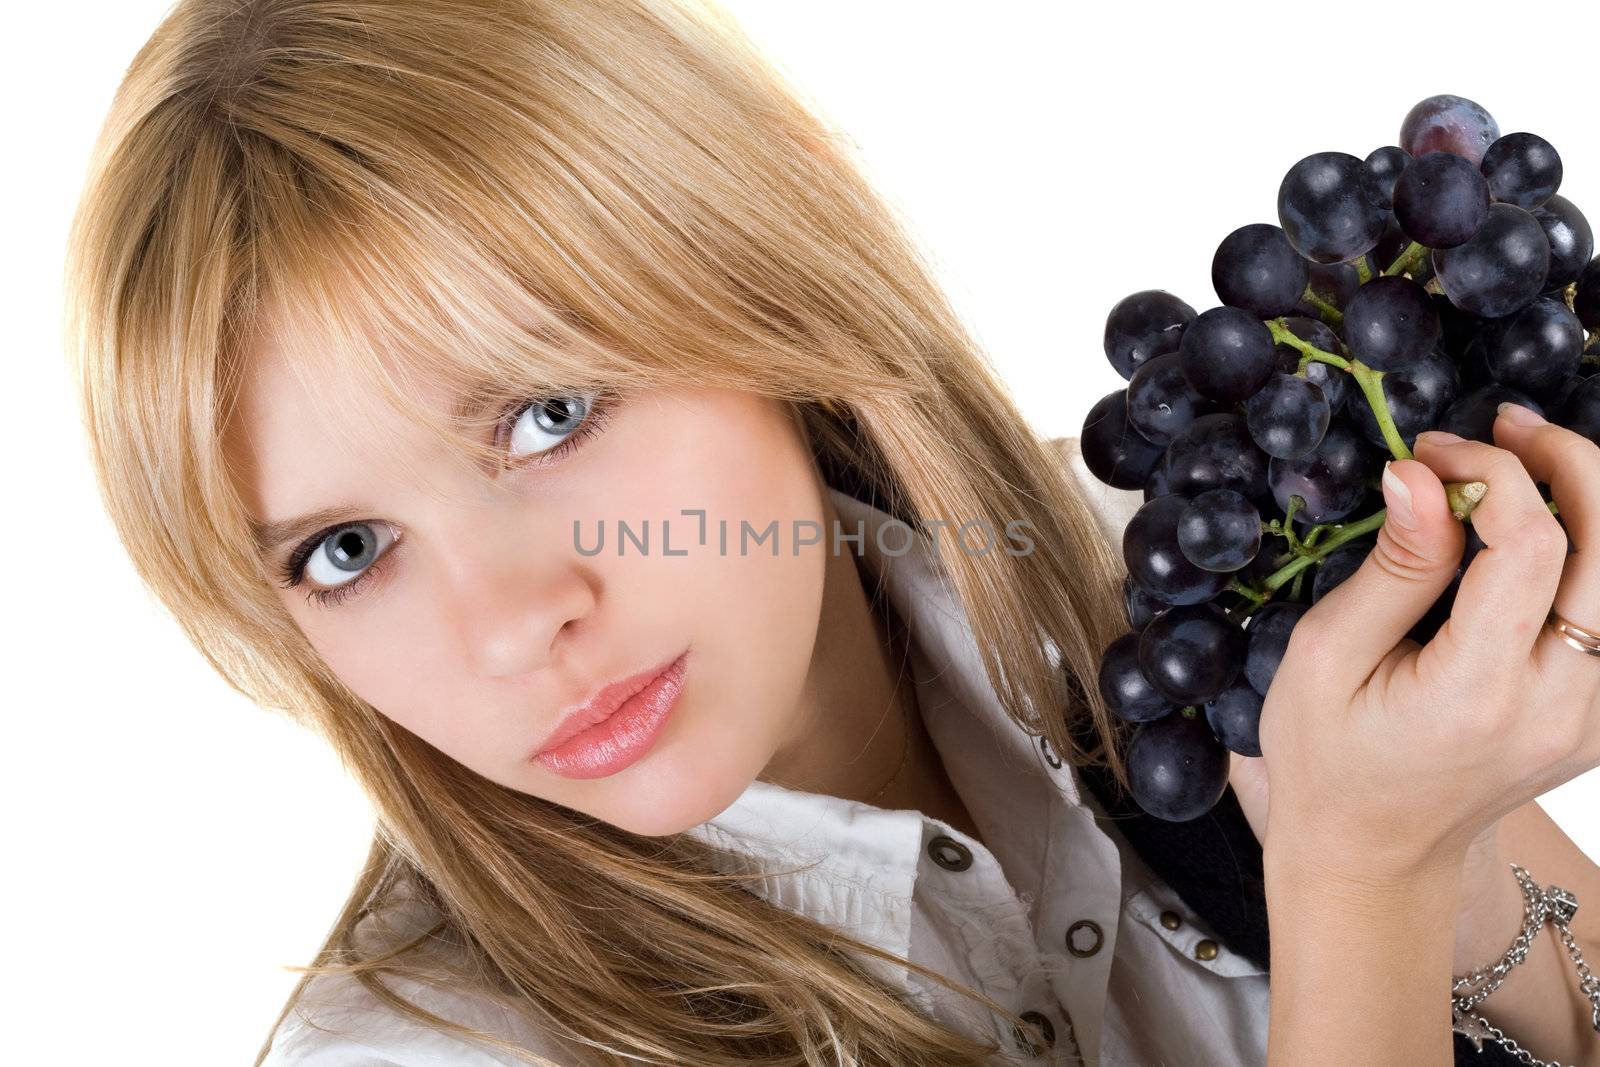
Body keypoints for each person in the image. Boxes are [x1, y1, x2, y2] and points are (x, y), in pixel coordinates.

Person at [61, 1, 1600, 1064]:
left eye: (547, 416)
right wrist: (1363, 879)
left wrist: (1431, 787)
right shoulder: (428, 1055)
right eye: (344, 549)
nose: (510, 621)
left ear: (766, 269)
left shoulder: (1145, 559)